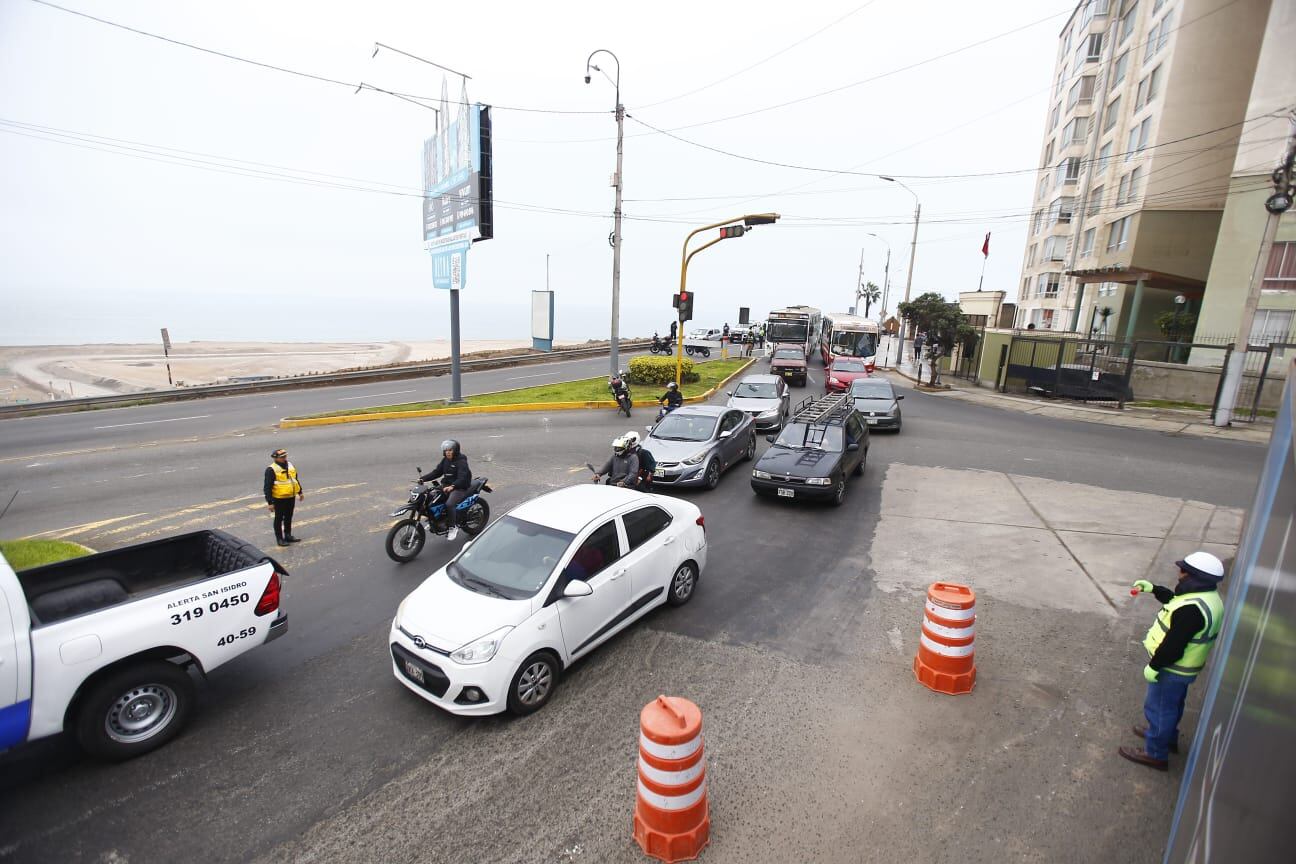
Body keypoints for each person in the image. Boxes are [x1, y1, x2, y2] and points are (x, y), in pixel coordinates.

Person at [1119, 551, 1227, 770]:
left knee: (1159, 709)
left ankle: (1155, 753)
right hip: (1183, 670)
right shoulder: (1206, 598)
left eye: (1183, 571)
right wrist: (1154, 589)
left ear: (1195, 576)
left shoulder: (1193, 610)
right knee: (1172, 706)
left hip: (1172, 669)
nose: (1179, 574)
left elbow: (1173, 646)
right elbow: (1175, 603)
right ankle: (1167, 738)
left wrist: (1154, 666)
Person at [420, 439, 472, 541]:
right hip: (446, 485)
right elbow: (436, 472)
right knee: (430, 497)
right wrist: (423, 478)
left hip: (460, 487)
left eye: (450, 450)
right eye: (446, 450)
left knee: (449, 504)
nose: (447, 452)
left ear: (455, 450)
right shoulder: (445, 460)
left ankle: (453, 527)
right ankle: (434, 521)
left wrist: (453, 486)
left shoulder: (461, 461)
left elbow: (462, 477)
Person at [264, 448, 303, 547]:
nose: (284, 458)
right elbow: (267, 487)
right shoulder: (271, 469)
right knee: (279, 518)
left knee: (289, 516)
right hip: (279, 498)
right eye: (282, 457)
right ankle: (279, 539)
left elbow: (295, 479)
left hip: (290, 496)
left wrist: (300, 492)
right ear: (275, 458)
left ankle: (288, 535)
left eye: (285, 456)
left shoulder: (290, 465)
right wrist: (270, 502)